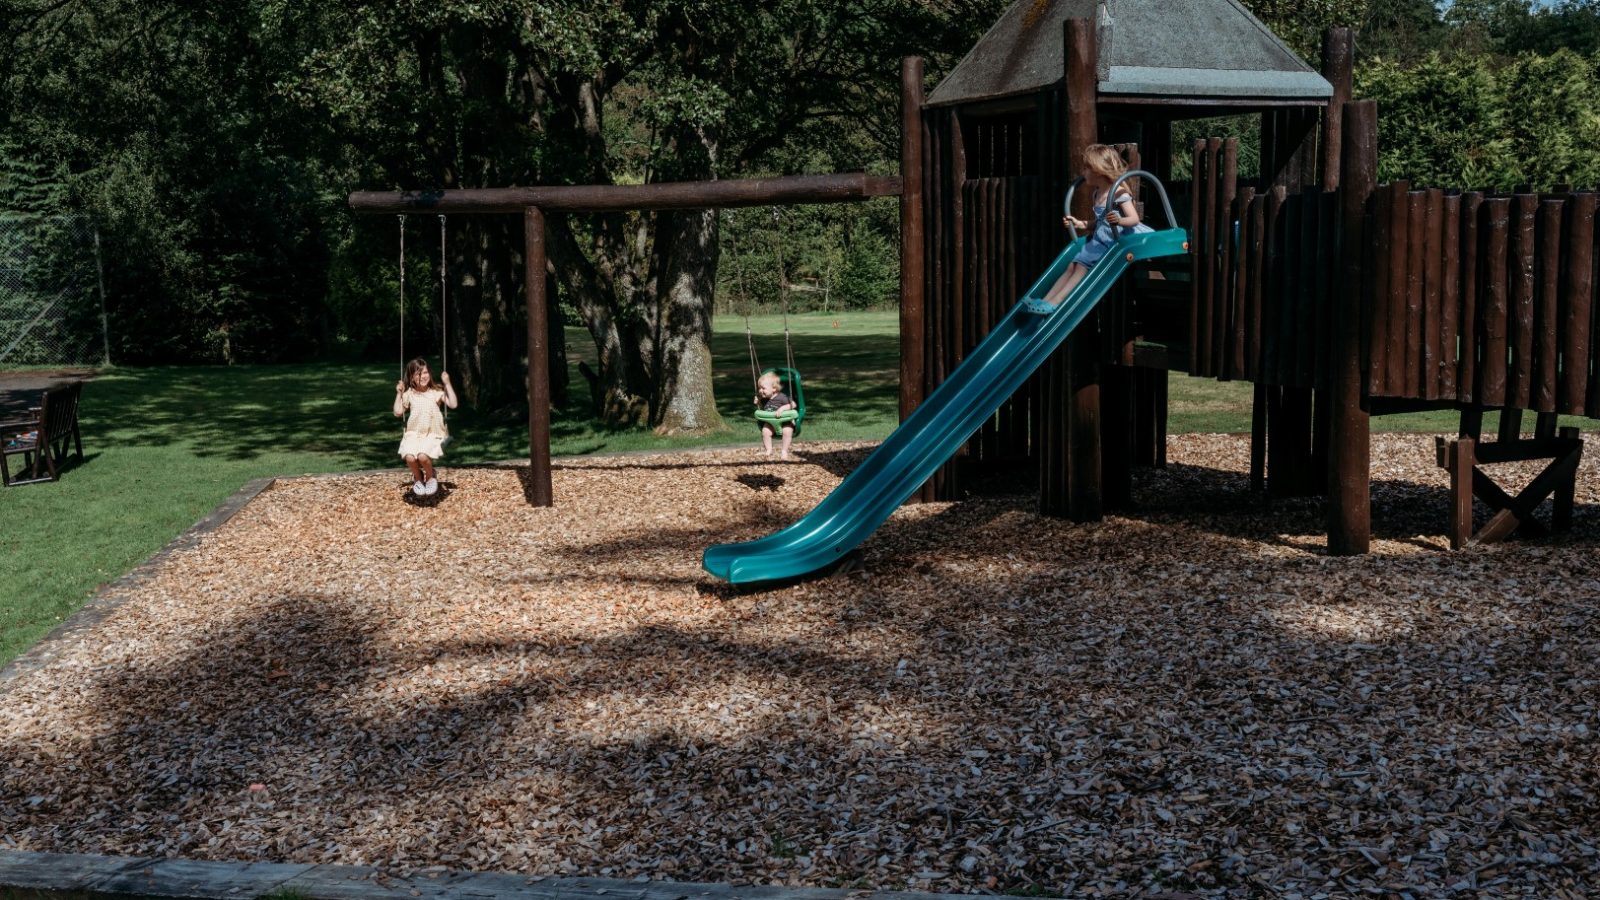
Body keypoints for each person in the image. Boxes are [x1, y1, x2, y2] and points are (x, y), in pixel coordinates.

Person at [1042, 144, 1152, 305]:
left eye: (1086, 168)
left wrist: (1119, 220)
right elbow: (1101, 223)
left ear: (1099, 170)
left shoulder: (1118, 192)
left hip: (1117, 238)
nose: (1083, 172)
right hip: (1103, 237)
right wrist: (1081, 224)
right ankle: (1045, 300)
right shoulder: (1097, 193)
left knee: (1081, 266)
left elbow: (1134, 219)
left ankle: (1056, 301)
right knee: (1072, 266)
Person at [393, 357, 458, 496]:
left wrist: (447, 383)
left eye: (426, 372)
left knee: (422, 456)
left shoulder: (435, 392)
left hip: (433, 434)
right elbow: (398, 412)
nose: (424, 376)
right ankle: (418, 477)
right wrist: (399, 393)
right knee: (410, 457)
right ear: (411, 377)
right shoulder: (409, 394)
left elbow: (453, 404)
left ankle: (430, 476)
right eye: (419, 374)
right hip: (413, 434)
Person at [754, 371, 797, 461]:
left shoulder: (782, 397)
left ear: (774, 389)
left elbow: (793, 404)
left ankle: (784, 451)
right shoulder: (764, 399)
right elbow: (762, 408)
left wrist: (783, 408)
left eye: (763, 388)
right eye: (759, 388)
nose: (760, 390)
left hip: (785, 421)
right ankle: (769, 450)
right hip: (770, 422)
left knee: (787, 432)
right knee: (765, 432)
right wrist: (757, 403)